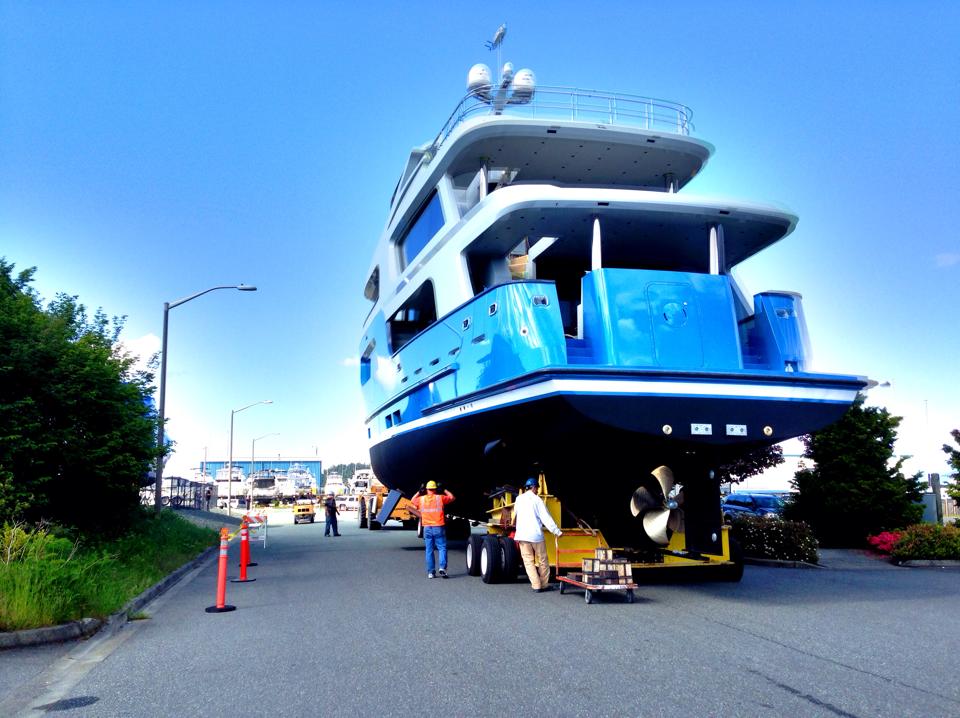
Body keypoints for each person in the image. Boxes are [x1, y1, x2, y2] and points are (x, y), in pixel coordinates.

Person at [513, 477, 562, 592]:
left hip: (523, 536)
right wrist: (557, 531)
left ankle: (536, 586)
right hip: (536, 536)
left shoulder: (519, 499)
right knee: (543, 560)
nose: (537, 491)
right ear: (534, 487)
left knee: (528, 562)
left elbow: (515, 515)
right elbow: (546, 518)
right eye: (537, 488)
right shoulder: (537, 500)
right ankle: (544, 584)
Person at [410, 480, 455, 579]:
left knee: (429, 550)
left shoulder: (421, 499)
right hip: (438, 527)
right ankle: (442, 568)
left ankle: (431, 572)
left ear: (426, 489)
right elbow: (452, 497)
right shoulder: (440, 498)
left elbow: (412, 500)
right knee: (442, 548)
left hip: (427, 528)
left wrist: (419, 492)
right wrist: (444, 490)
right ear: (435, 489)